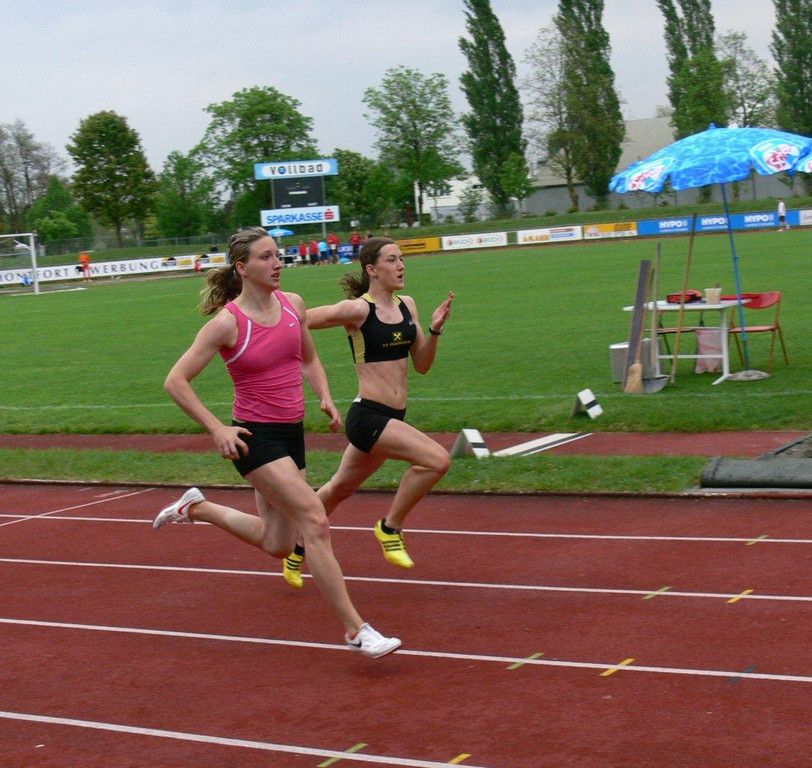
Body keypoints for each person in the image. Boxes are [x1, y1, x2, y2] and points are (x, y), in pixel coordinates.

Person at [152, 226, 400, 659]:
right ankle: (356, 630)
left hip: (291, 432)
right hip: (255, 436)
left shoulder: (293, 304)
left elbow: (309, 358)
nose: (277, 263)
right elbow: (176, 381)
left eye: (278, 255)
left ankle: (197, 508)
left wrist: (324, 393)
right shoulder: (227, 323)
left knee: (278, 543)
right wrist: (218, 428)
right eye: (266, 257)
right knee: (314, 519)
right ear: (242, 267)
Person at [282, 236, 454, 588]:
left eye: (401, 259)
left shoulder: (408, 305)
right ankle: (389, 528)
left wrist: (435, 329)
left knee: (338, 489)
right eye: (392, 260)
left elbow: (422, 365)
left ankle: (295, 551)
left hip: (393, 418)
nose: (401, 266)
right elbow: (300, 320)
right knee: (437, 460)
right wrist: (267, 315)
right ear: (372, 270)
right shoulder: (357, 310)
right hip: (369, 418)